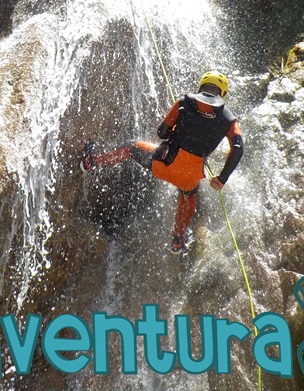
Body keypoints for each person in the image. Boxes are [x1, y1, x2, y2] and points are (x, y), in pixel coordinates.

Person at [80, 71, 243, 255]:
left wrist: (176, 127)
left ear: (201, 87)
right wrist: (221, 179)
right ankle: (177, 241)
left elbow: (162, 132)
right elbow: (238, 148)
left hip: (163, 164)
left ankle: (91, 162)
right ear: (223, 93)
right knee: (188, 196)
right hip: (189, 177)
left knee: (131, 148)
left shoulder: (183, 103)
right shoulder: (230, 120)